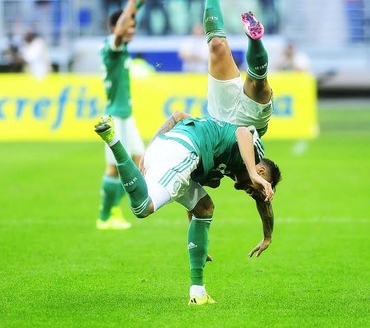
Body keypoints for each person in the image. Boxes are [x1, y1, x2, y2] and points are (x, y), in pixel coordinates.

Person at [93, 112, 281, 305]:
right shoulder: (254, 153)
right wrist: (252, 174)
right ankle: (113, 140)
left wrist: (267, 236)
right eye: (262, 184)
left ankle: (198, 293)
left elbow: (178, 116)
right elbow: (243, 132)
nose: (254, 192)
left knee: (204, 208)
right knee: (143, 207)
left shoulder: (225, 163)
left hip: (164, 146)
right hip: (183, 150)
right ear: (261, 171)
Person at [203, 0, 274, 137]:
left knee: (216, 45)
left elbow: (177, 116)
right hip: (250, 126)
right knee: (258, 83)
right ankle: (255, 40)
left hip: (219, 117)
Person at [96, 0, 149, 230]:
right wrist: (130, 1)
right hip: (116, 116)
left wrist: (138, 5)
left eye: (134, 26)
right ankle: (107, 215)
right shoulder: (112, 46)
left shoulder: (122, 49)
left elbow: (124, 26)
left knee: (140, 159)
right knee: (116, 167)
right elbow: (119, 30)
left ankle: (123, 207)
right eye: (129, 25)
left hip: (126, 116)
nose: (132, 29)